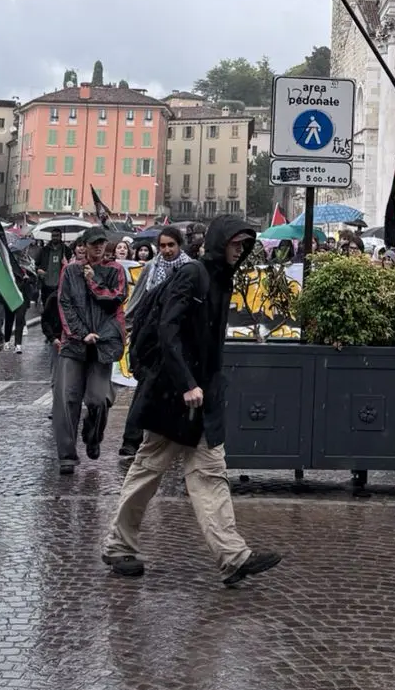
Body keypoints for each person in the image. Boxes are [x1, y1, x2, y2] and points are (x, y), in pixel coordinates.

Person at [105, 215, 282, 588]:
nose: (240, 250)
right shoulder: (194, 275)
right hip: (176, 394)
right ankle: (120, 545)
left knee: (209, 472)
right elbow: (169, 329)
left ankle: (232, 557)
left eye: (244, 245)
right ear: (221, 242)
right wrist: (187, 382)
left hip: (199, 395)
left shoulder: (219, 278)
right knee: (148, 470)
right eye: (236, 243)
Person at [55, 228, 128, 472]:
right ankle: (66, 455)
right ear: (83, 245)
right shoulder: (70, 270)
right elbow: (64, 303)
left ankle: (94, 434)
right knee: (67, 398)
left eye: (101, 243)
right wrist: (79, 333)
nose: (98, 248)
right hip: (74, 344)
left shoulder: (115, 269)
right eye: (93, 244)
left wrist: (93, 280)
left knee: (98, 399)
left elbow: (115, 299)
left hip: (103, 343)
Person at [117, 224, 185, 458]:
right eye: (163, 246)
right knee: (145, 390)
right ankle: (131, 439)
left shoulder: (189, 270)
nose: (166, 250)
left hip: (179, 340)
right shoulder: (150, 268)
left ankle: (175, 440)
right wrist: (126, 328)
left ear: (179, 245)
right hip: (152, 340)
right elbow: (137, 302)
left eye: (171, 245)